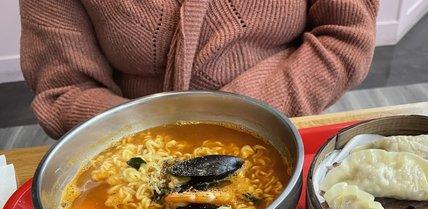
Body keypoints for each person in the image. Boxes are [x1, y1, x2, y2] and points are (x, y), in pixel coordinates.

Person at [20, 0, 379, 138]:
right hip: (134, 149)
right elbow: (65, 91)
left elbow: (344, 36)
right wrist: (164, 139)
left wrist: (228, 116)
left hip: (284, 129)